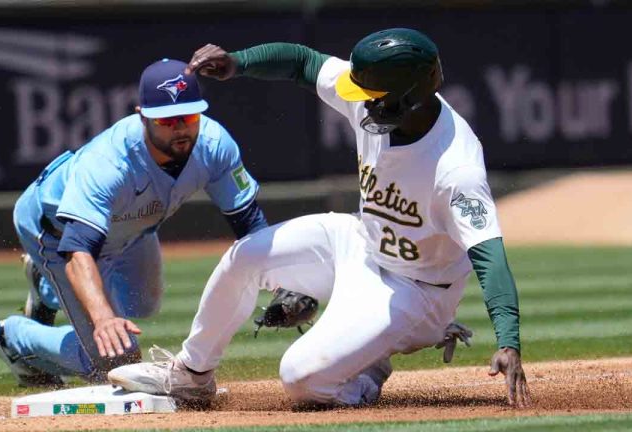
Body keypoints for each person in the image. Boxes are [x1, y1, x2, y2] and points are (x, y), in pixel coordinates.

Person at [108, 28, 531, 408]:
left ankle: (366, 376)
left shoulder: (455, 169)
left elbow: (489, 255)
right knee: (245, 257)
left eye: (369, 96)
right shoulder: (376, 89)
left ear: (407, 98)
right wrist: (238, 62)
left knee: (300, 379)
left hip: (417, 291)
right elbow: (302, 61)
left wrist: (509, 342)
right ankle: (191, 375)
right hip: (359, 242)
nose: (357, 98)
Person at [0, 58, 269, 386]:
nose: (180, 127)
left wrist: (285, 282)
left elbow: (249, 223)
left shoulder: (213, 144)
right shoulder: (110, 163)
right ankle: (13, 337)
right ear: (142, 115)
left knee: (144, 305)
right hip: (57, 234)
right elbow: (78, 248)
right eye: (166, 119)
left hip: (133, 229)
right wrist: (103, 317)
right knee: (113, 364)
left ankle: (47, 288)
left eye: (189, 115)